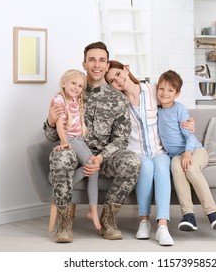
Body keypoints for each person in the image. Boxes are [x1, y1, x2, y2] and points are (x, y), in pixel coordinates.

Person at [44, 42, 141, 242]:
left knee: (132, 161)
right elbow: (51, 137)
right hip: (74, 153)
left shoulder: (118, 99)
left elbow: (121, 139)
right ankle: (64, 224)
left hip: (103, 159)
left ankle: (109, 218)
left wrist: (100, 158)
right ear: (84, 63)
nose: (96, 65)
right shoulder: (72, 90)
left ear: (107, 66)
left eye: (101, 60)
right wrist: (50, 122)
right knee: (60, 156)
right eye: (92, 60)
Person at [105, 61, 195, 246]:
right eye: (112, 81)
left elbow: (173, 106)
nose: (118, 81)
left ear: (126, 70)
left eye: (119, 74)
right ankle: (144, 222)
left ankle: (163, 226)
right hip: (135, 152)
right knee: (145, 167)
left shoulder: (153, 90)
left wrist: (189, 123)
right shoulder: (117, 104)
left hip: (158, 150)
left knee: (162, 167)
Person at [156, 70, 216, 232]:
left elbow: (189, 134)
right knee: (177, 169)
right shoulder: (156, 110)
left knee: (192, 170)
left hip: (195, 150)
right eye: (161, 88)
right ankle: (188, 216)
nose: (165, 93)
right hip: (175, 156)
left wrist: (187, 152)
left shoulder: (179, 110)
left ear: (177, 93)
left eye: (170, 90)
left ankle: (212, 213)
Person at [49, 69, 100, 243]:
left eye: (80, 85)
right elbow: (59, 126)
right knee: (93, 165)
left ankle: (57, 181)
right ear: (63, 83)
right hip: (71, 140)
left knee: (93, 167)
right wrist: (65, 142)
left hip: (79, 139)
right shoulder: (59, 100)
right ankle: (92, 210)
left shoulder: (77, 99)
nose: (77, 88)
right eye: (73, 83)